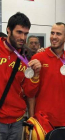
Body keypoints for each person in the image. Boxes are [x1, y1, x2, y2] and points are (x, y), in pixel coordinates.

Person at [29, 22, 65, 127]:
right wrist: (32, 119)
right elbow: (30, 94)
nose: (54, 37)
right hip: (42, 121)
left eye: (58, 34)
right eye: (52, 33)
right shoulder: (38, 58)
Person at [0, 12, 41, 140]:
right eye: (19, 32)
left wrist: (36, 75)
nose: (23, 37)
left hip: (16, 121)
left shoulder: (27, 56)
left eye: (25, 33)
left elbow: (29, 92)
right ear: (8, 30)